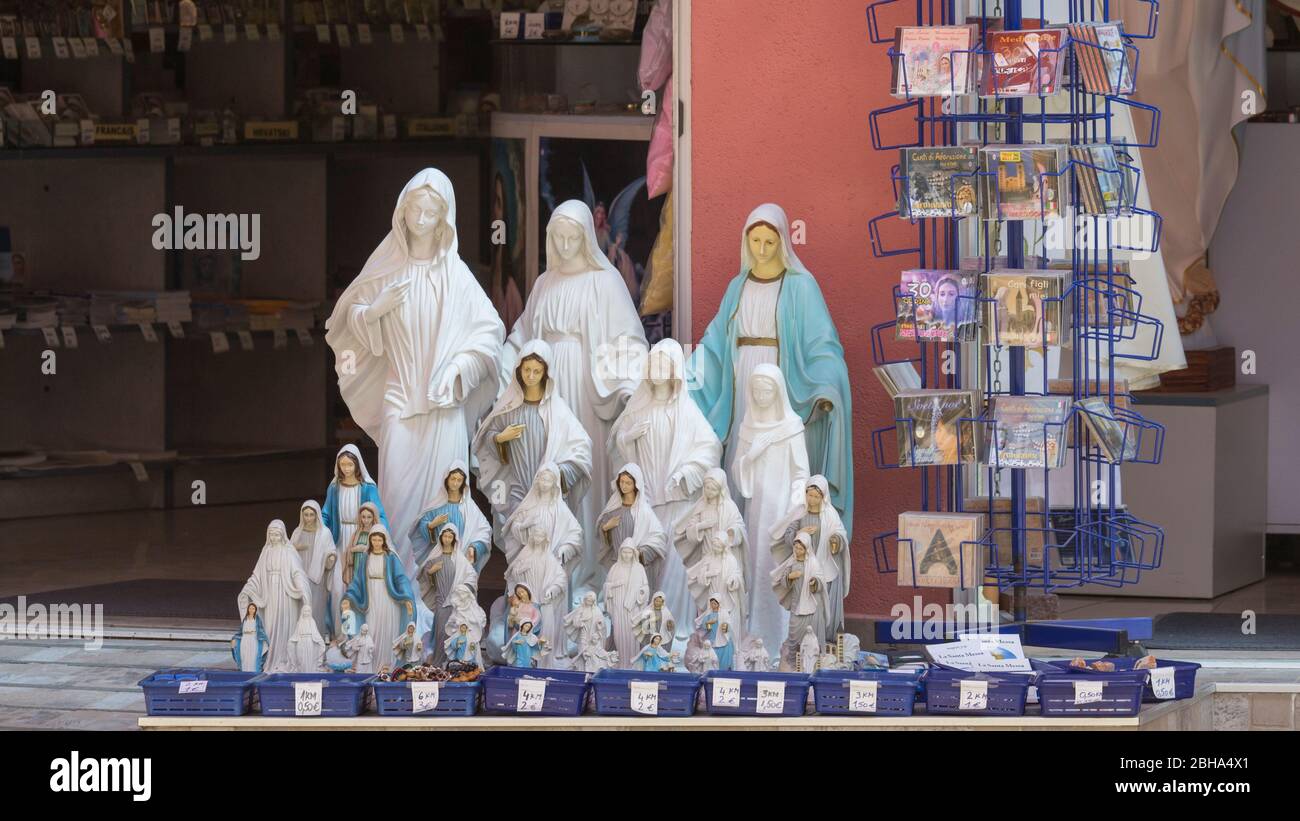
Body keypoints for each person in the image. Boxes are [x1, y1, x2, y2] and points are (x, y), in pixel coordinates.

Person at [325, 169, 505, 575]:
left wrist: (460, 368)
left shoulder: (455, 277)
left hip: (444, 410)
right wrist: (374, 311)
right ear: (401, 212)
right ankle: (395, 592)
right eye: (415, 210)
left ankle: (437, 596)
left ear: (444, 219)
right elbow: (344, 320)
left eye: (430, 212)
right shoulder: (386, 269)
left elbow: (491, 333)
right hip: (400, 401)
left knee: (443, 499)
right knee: (397, 496)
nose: (421, 219)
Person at [501, 200, 649, 593]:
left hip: (586, 386)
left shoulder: (605, 282)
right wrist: (505, 359)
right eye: (559, 238)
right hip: (546, 387)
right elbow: (524, 334)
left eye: (573, 238)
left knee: (585, 469)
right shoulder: (544, 284)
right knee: (547, 470)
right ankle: (547, 566)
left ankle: (589, 570)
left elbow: (628, 338)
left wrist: (626, 381)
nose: (566, 246)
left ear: (586, 238)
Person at [686, 203, 853, 543]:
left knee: (778, 468)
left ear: (783, 243)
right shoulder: (738, 286)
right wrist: (685, 376)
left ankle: (776, 549)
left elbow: (823, 344)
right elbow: (715, 341)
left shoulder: (801, 286)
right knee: (742, 460)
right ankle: (738, 551)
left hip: (780, 383)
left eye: (769, 242)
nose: (761, 250)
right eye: (755, 241)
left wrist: (827, 383)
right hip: (741, 382)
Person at [608, 338, 722, 635]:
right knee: (643, 559)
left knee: (674, 563)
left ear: (675, 371)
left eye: (664, 364)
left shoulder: (685, 411)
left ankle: (674, 627)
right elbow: (616, 447)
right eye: (654, 362)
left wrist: (686, 472)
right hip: (645, 503)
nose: (657, 369)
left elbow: (709, 448)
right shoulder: (637, 409)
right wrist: (626, 438)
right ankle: (639, 628)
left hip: (675, 500)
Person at [475, 339, 592, 534]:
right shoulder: (509, 408)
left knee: (543, 542)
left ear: (546, 373)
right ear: (518, 370)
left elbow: (582, 448)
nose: (530, 376)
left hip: (545, 491)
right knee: (518, 539)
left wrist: (556, 473)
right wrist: (499, 439)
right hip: (517, 488)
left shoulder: (557, 411)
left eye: (536, 371)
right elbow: (486, 438)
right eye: (526, 369)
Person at [732, 365, 809, 652]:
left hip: (783, 510)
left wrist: (794, 506)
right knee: (757, 564)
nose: (761, 396)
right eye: (756, 391)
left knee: (781, 568)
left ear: (777, 393)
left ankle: (782, 637)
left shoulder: (791, 427)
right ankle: (756, 635)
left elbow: (801, 471)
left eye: (767, 391)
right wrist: (751, 455)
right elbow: (740, 475)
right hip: (757, 511)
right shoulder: (748, 427)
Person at [237, 520, 310, 673]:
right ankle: (268, 658)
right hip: (269, 595)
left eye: (277, 535)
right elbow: (257, 575)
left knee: (283, 627)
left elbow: (297, 572)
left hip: (285, 594)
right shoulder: (266, 552)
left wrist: (302, 588)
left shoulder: (289, 552)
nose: (274, 538)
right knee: (269, 626)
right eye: (272, 534)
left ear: (283, 535)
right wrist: (248, 588)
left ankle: (283, 658)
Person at [409, 461, 492, 574]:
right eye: (452, 479)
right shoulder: (437, 506)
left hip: (461, 560)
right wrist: (432, 525)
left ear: (463, 483)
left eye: (459, 480)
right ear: (446, 479)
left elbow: (484, 530)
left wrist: (474, 547)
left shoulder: (469, 508)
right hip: (440, 559)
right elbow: (421, 528)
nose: (455, 483)